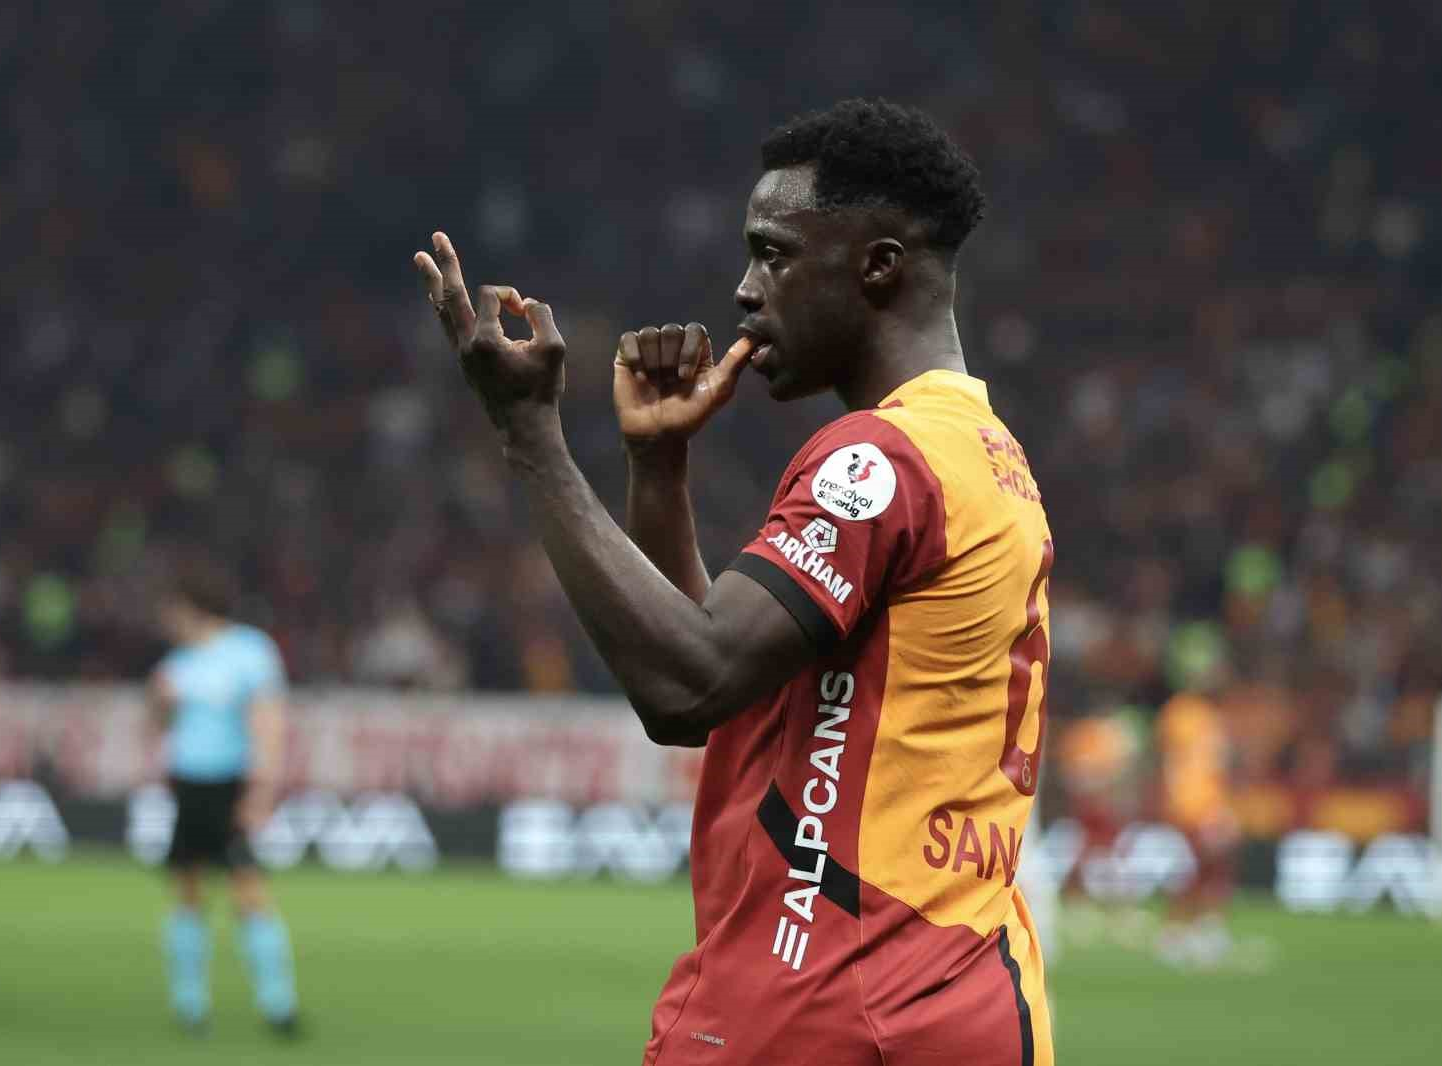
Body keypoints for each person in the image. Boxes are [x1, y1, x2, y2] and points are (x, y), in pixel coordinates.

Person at [415, 98, 1054, 1064]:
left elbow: (687, 686)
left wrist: (530, 436)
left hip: (823, 1000)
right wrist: (657, 468)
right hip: (966, 994)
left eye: (774, 255)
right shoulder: (985, 456)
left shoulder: (878, 461)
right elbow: (720, 693)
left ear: (878, 265)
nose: (746, 290)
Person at [147, 558, 299, 1034]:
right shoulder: (177, 664)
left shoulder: (249, 652)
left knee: (249, 893)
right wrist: (158, 702)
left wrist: (261, 790)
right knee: (188, 892)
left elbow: (269, 721)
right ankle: (190, 1007)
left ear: (190, 606)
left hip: (230, 785)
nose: (165, 619)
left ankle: (278, 1006)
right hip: (189, 785)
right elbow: (160, 725)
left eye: (171, 608)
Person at [1155, 690, 1240, 968]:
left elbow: (1218, 766)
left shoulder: (1214, 715)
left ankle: (1200, 926)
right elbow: (1169, 760)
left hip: (1211, 801)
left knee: (1212, 867)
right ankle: (1182, 929)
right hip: (1189, 802)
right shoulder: (1179, 712)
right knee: (1199, 867)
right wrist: (1173, 798)